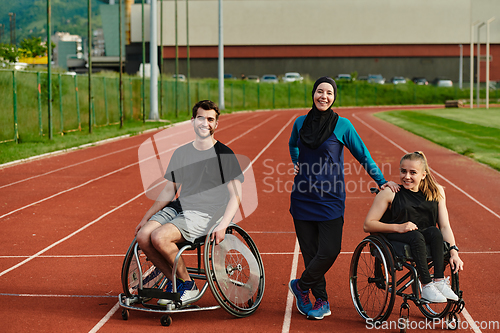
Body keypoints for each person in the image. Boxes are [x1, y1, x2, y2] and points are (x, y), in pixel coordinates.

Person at [288, 76, 399, 320]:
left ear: (334, 97)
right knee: (310, 253)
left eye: (329, 93)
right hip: (302, 198)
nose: (323, 96)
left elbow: (364, 156)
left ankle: (300, 286)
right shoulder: (300, 123)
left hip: (330, 199)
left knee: (329, 250)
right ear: (313, 94)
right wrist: (296, 162)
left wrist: (381, 181)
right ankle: (322, 301)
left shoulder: (343, 125)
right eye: (319, 91)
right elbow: (293, 144)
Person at [135, 100, 244, 305]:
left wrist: (223, 225)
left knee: (159, 238)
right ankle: (174, 282)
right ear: (193, 121)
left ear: (216, 124)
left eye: (210, 119)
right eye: (201, 118)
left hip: (207, 212)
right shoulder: (182, 152)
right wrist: (146, 216)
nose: (205, 123)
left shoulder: (225, 154)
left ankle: (188, 284)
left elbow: (236, 195)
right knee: (142, 236)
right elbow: (170, 189)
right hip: (180, 208)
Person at [363, 151, 463, 303]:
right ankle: (427, 285)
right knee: (416, 235)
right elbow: (368, 224)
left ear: (424, 175)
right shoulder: (391, 192)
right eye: (403, 171)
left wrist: (454, 251)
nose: (406, 176)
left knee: (435, 232)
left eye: (413, 172)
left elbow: (444, 227)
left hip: (421, 236)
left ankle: (439, 281)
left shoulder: (436, 191)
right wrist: (399, 227)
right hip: (395, 235)